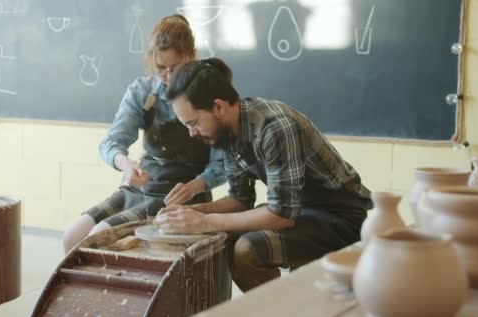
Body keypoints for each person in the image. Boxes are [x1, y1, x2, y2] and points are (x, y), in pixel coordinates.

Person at [155, 58, 372, 292]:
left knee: (246, 250)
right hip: (301, 210)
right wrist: (192, 213)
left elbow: (282, 215)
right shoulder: (227, 134)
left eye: (194, 123)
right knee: (224, 238)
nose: (191, 133)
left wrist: (206, 221)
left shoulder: (274, 128)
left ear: (218, 107)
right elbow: (240, 200)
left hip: (340, 217)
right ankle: (283, 310)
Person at [62, 15, 226, 253]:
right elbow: (112, 142)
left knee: (99, 236)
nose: (168, 77)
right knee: (72, 236)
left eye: (175, 68)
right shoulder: (142, 91)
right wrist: (125, 164)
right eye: (161, 68)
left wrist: (197, 185)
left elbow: (223, 163)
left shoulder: (210, 94)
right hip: (140, 188)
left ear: (193, 55)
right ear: (151, 59)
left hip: (182, 195)